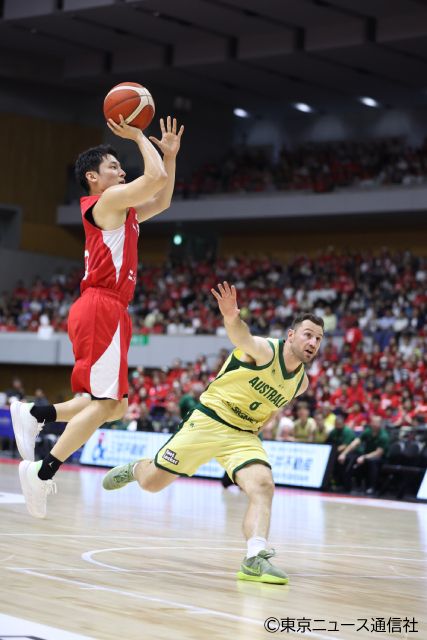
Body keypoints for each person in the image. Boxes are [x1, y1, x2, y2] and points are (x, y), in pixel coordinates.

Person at [11, 114, 184, 519]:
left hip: (108, 308)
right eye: (114, 166)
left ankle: (36, 414)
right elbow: (153, 180)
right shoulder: (106, 203)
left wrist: (170, 156)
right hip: (101, 305)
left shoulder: (123, 212)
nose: (123, 171)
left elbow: (163, 198)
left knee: (112, 405)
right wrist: (142, 136)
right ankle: (42, 470)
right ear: (93, 177)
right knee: (106, 403)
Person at [102, 282, 324, 584]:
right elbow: (240, 335)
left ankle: (254, 558)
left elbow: (274, 405)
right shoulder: (264, 350)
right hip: (209, 420)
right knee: (153, 483)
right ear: (291, 336)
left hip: (243, 434)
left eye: (319, 339)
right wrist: (232, 316)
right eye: (308, 334)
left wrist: (264, 424)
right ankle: (137, 468)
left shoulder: (301, 383)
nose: (313, 342)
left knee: (263, 485)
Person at [338, 415, 389, 495]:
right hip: (367, 455)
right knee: (350, 458)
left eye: (377, 422)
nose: (374, 424)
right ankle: (346, 485)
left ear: (380, 424)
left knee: (372, 462)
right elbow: (356, 442)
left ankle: (372, 487)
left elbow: (378, 453)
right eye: (373, 422)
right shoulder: (368, 431)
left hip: (381, 458)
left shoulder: (383, 436)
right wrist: (344, 453)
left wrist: (364, 457)